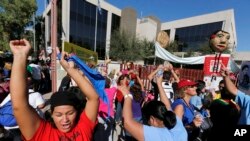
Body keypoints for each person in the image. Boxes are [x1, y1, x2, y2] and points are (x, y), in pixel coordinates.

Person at [9, 39, 99, 140]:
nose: (65, 120)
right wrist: (20, 56)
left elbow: (94, 98)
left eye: (70, 113)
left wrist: (71, 70)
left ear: (77, 112)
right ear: (51, 114)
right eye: (58, 114)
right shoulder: (42, 132)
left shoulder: (83, 127)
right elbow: (19, 105)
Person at [119, 73, 187, 141]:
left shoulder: (156, 134)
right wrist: (159, 84)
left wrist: (128, 97)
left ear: (152, 119)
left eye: (147, 122)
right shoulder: (177, 124)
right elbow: (167, 105)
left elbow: (127, 123)